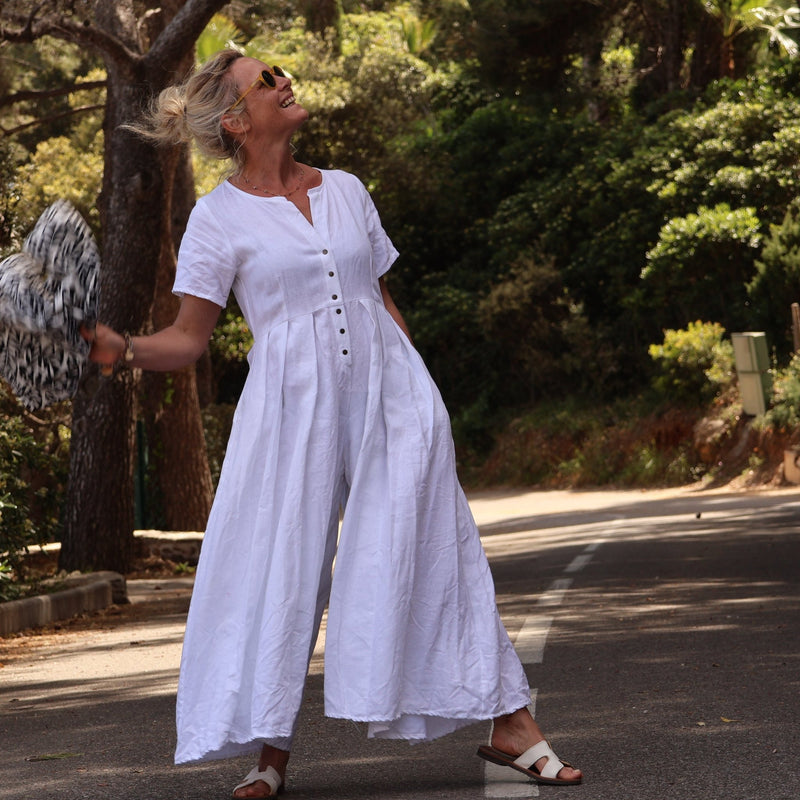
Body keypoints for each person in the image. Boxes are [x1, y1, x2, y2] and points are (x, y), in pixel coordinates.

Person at [84, 50, 582, 798]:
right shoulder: (217, 218)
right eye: (266, 79)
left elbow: (380, 301)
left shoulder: (347, 189)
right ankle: (269, 753)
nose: (285, 81)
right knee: (279, 568)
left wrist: (424, 396)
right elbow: (187, 340)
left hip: (392, 397)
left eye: (280, 70)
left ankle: (513, 723)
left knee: (435, 550)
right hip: (291, 409)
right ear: (235, 120)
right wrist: (121, 349)